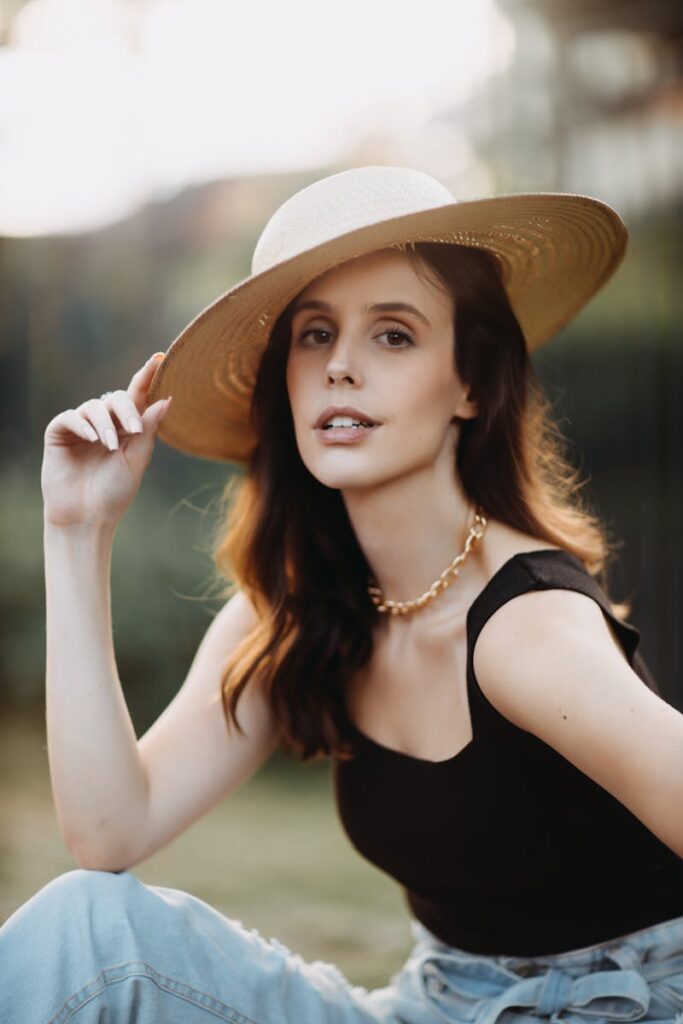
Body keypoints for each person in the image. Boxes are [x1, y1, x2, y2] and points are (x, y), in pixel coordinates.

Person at [2, 165, 683, 1023]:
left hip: (623, 1005)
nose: (341, 369)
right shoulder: (299, 611)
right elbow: (109, 833)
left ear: (469, 383)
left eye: (393, 335)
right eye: (314, 336)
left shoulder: (525, 630)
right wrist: (75, 532)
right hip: (430, 1005)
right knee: (89, 933)